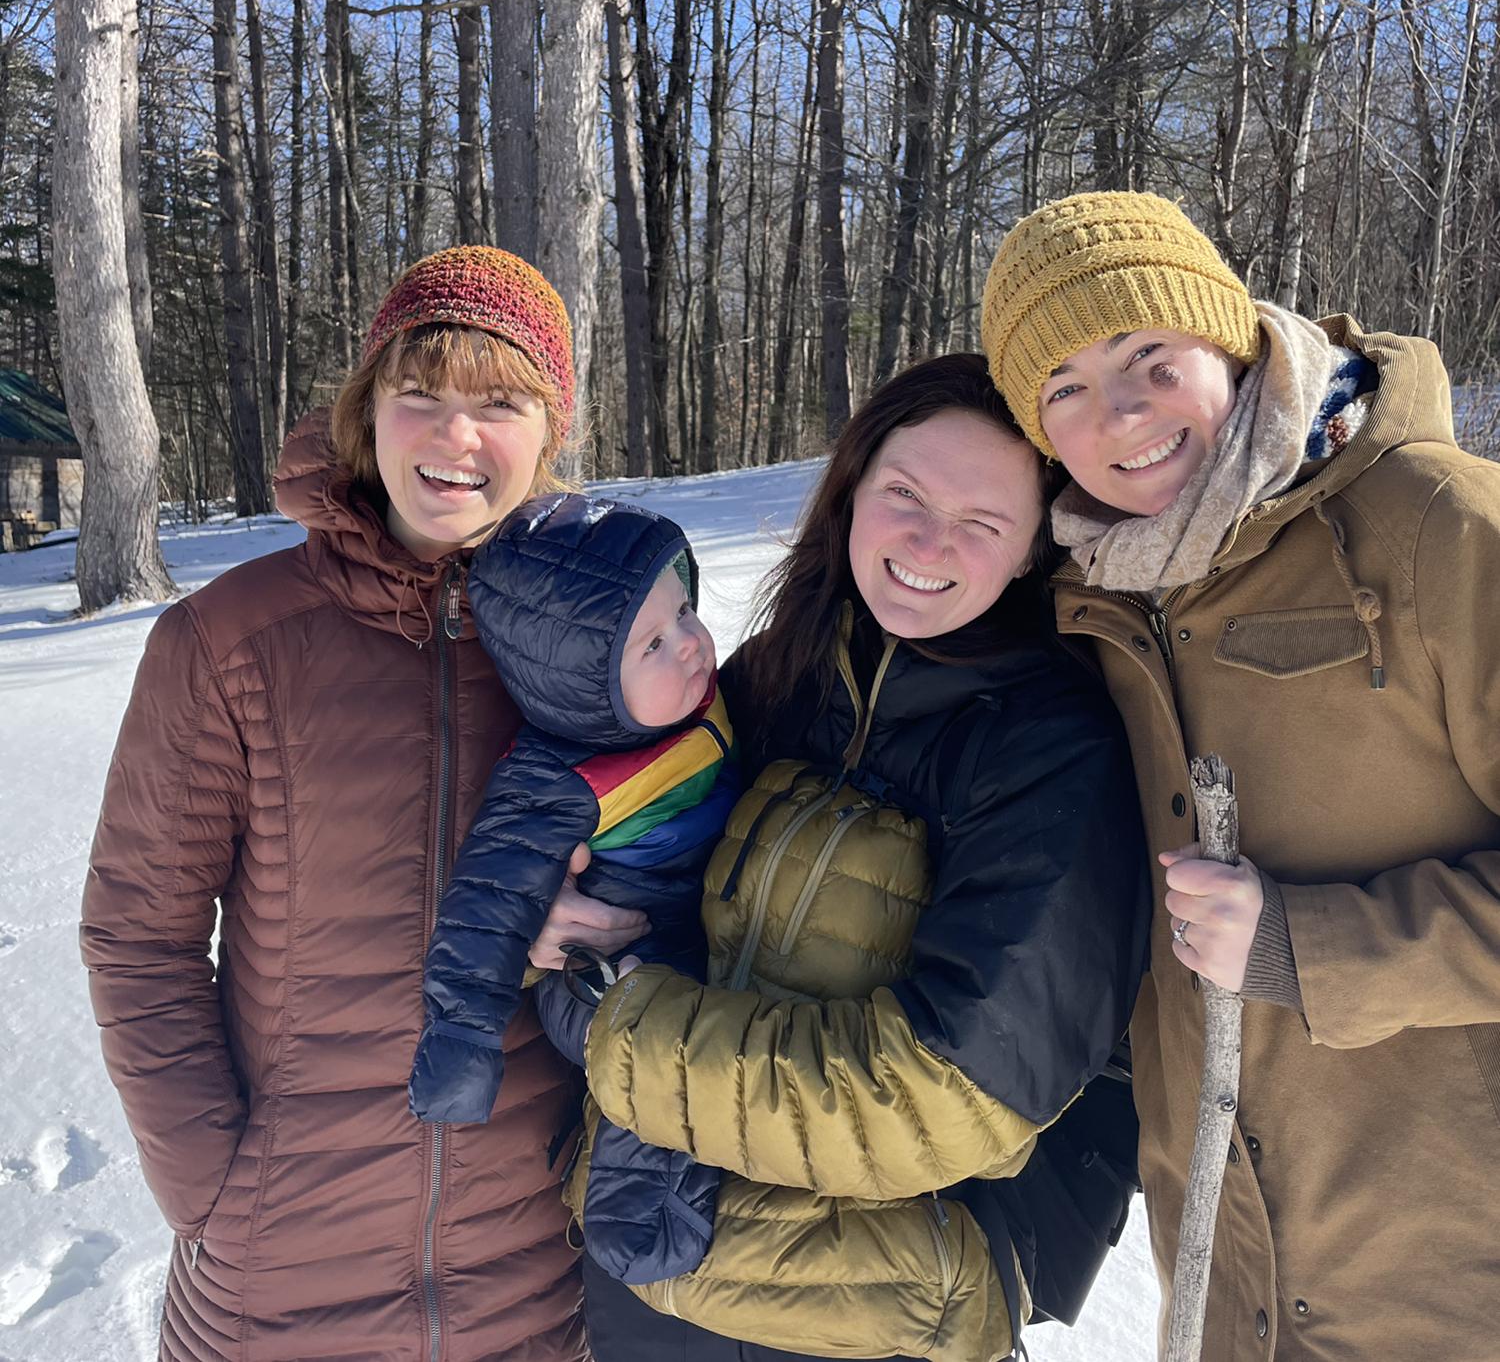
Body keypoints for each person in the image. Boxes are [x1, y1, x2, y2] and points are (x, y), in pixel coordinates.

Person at [980, 190, 1500, 1361]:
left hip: (1454, 1285)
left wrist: (1308, 947)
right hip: (1231, 1285)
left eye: (1148, 357)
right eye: (1063, 390)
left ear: (1229, 336)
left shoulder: (1438, 527)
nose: (1118, 417)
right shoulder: (1089, 599)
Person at [80, 247, 624, 1361]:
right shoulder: (231, 642)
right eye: (419, 393)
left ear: (551, 431)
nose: (454, 435)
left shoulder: (613, 649)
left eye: (501, 401)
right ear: (366, 412)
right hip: (280, 1274)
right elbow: (141, 936)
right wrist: (214, 1195)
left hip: (536, 1269)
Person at [565, 354, 1150, 1362]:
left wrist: (620, 1041)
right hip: (651, 1273)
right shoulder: (781, 671)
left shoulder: (1055, 748)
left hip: (874, 1314)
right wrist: (556, 900)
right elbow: (636, 850)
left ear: (1028, 551)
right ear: (851, 495)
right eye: (905, 496)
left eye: (982, 520)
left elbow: (951, 1090)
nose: (930, 543)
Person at [408, 491, 737, 1287]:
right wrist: (461, 1039)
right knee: (646, 1039)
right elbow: (487, 909)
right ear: (584, 686)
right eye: (653, 644)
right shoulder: (555, 782)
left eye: (686, 610)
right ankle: (636, 1214)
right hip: (593, 976)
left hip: (690, 933)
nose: (691, 645)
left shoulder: (700, 702)